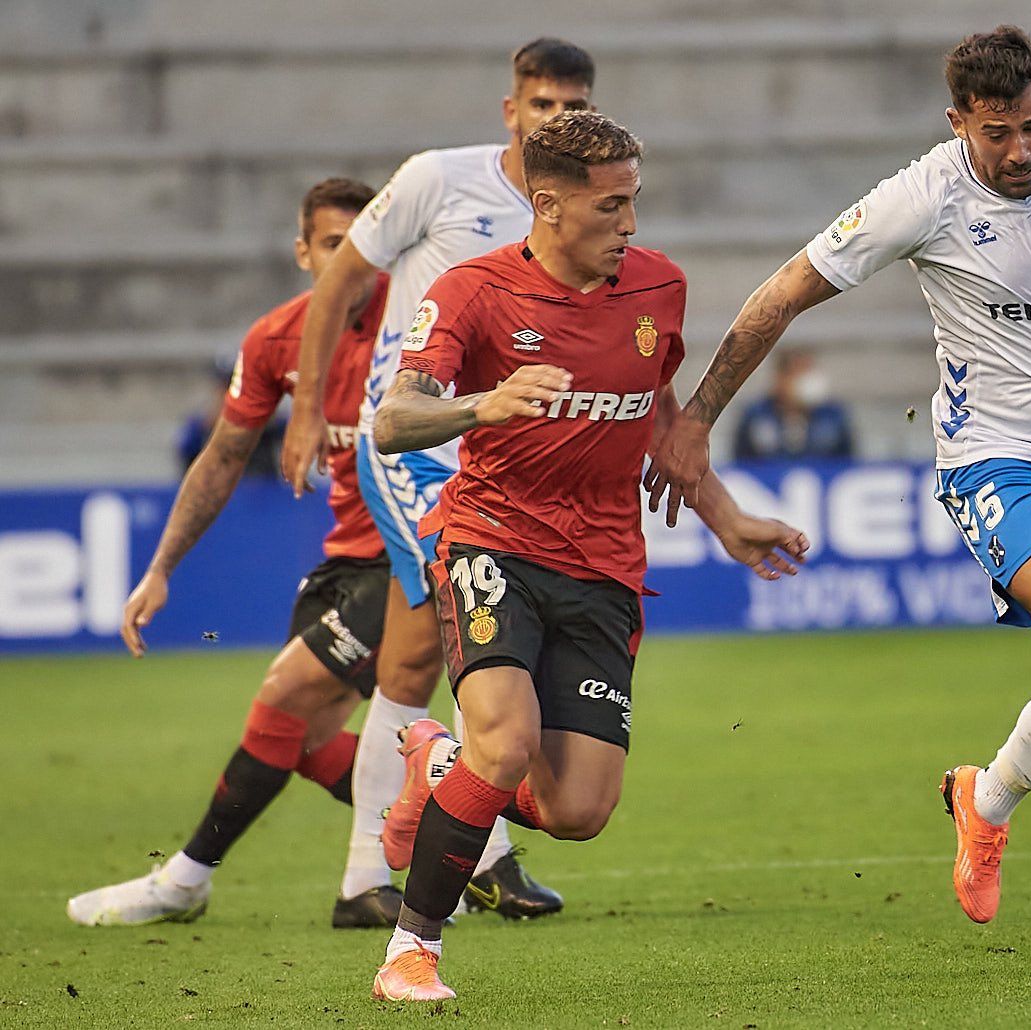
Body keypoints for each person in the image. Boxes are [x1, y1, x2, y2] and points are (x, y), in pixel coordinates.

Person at [645, 26, 1031, 953]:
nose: (1021, 151)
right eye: (997, 132)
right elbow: (780, 296)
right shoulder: (922, 196)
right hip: (994, 455)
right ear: (959, 121)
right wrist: (696, 418)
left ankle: (986, 795)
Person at [363, 111, 808, 1002]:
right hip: (492, 539)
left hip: (604, 564)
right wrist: (482, 406)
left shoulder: (658, 289)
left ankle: (439, 770)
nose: (630, 226)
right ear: (549, 204)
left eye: (635, 203)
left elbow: (654, 410)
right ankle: (412, 952)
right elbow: (394, 420)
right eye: (611, 208)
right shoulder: (472, 291)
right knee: (506, 739)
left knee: (578, 812)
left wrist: (723, 516)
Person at [279, 38, 597, 917]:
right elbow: (342, 277)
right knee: (463, 632)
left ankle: (409, 870)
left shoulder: (581, 208)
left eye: (573, 107)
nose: (557, 122)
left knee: (422, 655)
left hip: (504, 459)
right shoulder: (440, 178)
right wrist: (308, 409)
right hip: (413, 444)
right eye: (542, 106)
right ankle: (410, 867)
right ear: (512, 111)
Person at [67, 178, 404, 929]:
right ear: (303, 253)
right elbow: (222, 456)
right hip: (346, 556)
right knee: (308, 741)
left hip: (413, 554)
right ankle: (480, 841)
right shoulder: (275, 340)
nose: (348, 260)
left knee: (281, 699)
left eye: (362, 245)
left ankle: (184, 879)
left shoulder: (417, 324)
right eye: (330, 245)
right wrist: (160, 569)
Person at [731, 349, 855, 461]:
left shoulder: (833, 415)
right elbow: (740, 462)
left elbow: (849, 460)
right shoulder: (756, 415)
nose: (809, 381)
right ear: (781, 379)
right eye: (800, 373)